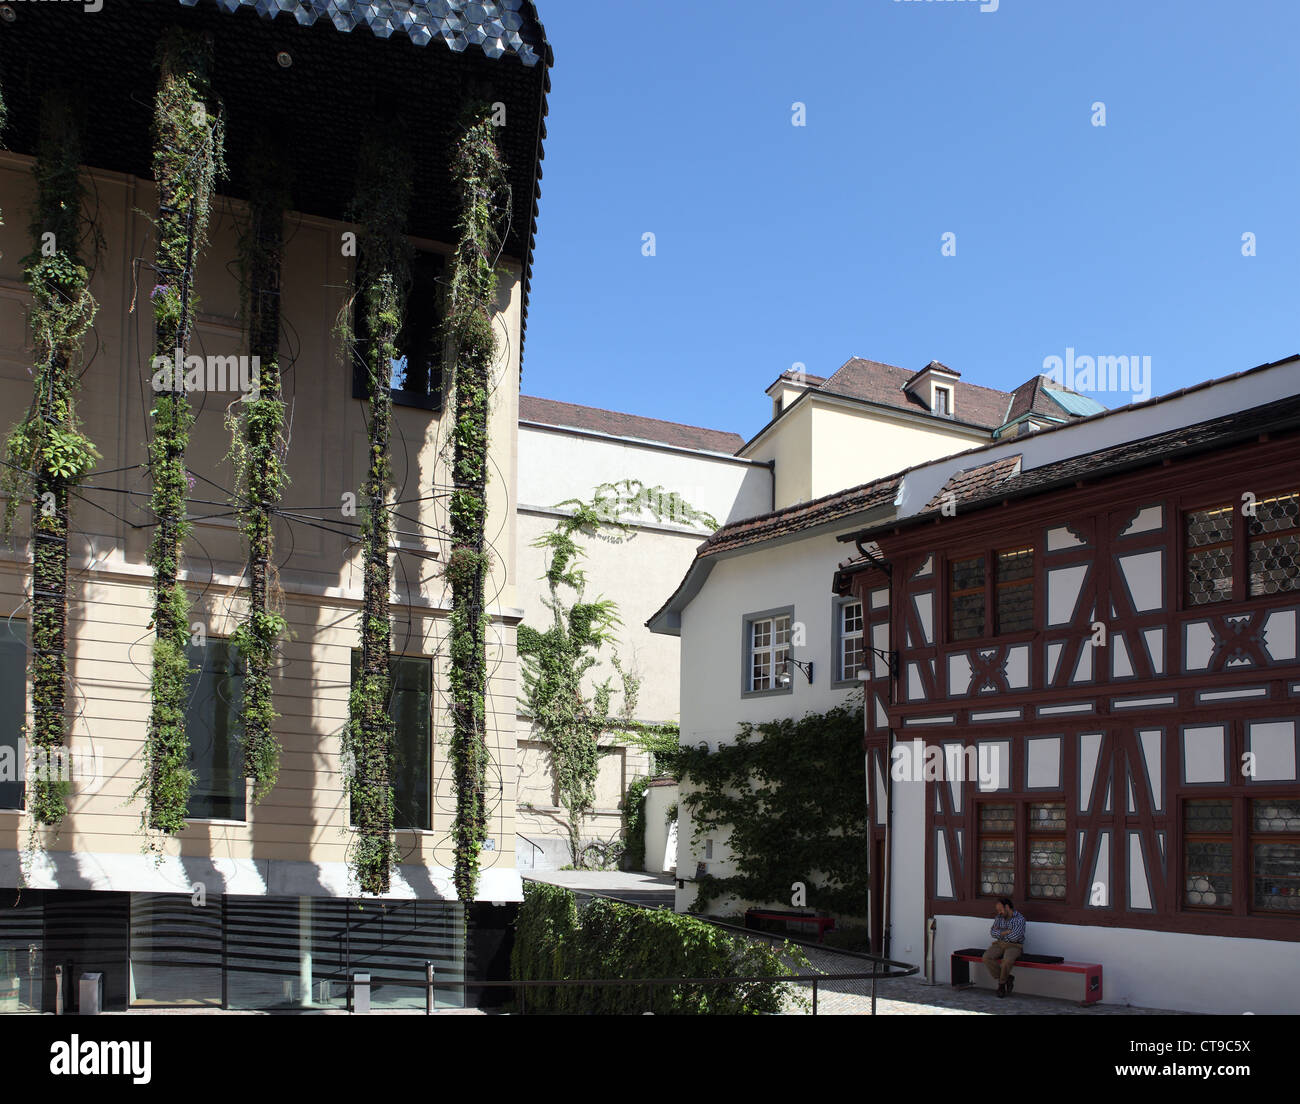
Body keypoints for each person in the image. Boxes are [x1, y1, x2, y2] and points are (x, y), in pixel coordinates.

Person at [983, 897, 1026, 997]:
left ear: (1007, 907)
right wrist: (1006, 931)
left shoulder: (1020, 919)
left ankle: (1001, 984)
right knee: (986, 957)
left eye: (1000, 910)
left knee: (1007, 961)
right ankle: (1007, 978)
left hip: (1014, 945)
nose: (998, 912)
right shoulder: (999, 917)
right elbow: (992, 932)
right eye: (997, 910)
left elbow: (1015, 937)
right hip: (999, 943)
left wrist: (1000, 933)